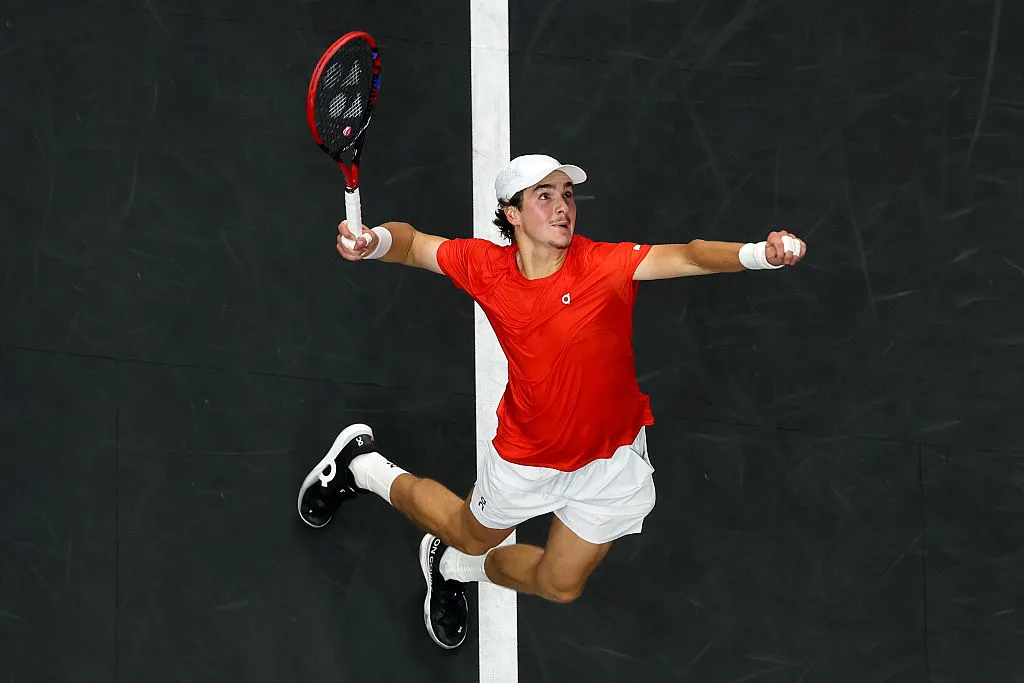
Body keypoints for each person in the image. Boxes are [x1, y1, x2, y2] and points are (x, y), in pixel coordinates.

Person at [296, 154, 807, 650]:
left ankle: (450, 567)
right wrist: (373, 242)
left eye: (567, 195)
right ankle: (360, 466)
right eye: (545, 196)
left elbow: (691, 254)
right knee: (472, 534)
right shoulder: (487, 269)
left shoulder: (604, 265)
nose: (563, 206)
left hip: (610, 462)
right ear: (512, 214)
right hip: (527, 459)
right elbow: (411, 245)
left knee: (560, 585)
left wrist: (760, 254)